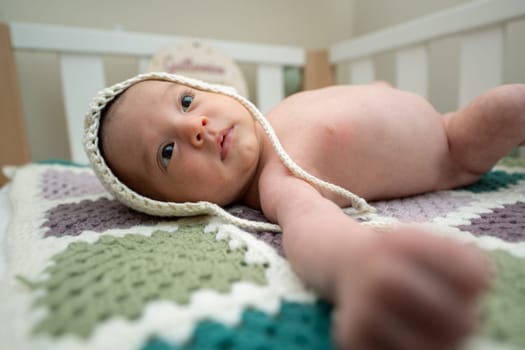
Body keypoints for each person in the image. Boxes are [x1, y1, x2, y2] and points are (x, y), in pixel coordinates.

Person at [84, 71, 525, 350]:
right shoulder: (278, 182)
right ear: (174, 206)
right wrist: (355, 263)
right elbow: (310, 227)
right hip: (453, 144)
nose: (193, 128)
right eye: (166, 152)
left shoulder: (275, 117)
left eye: (184, 102)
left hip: (431, 113)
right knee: (507, 105)